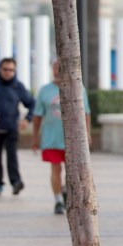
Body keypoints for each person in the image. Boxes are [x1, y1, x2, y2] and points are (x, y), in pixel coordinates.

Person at [32, 60, 91, 215]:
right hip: (51, 138)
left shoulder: (78, 89)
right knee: (55, 168)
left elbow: (86, 113)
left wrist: (88, 134)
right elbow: (37, 115)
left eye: (60, 68)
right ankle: (58, 200)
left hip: (72, 138)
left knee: (71, 171)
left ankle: (68, 194)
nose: (57, 71)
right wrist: (35, 138)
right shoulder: (44, 91)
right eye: (55, 68)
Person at [0, 57, 35, 196]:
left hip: (12, 128)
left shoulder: (18, 87)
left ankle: (16, 182)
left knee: (12, 156)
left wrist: (27, 119)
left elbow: (32, 103)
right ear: (0, 69)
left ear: (14, 71)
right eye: (5, 69)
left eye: (11, 70)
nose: (8, 72)